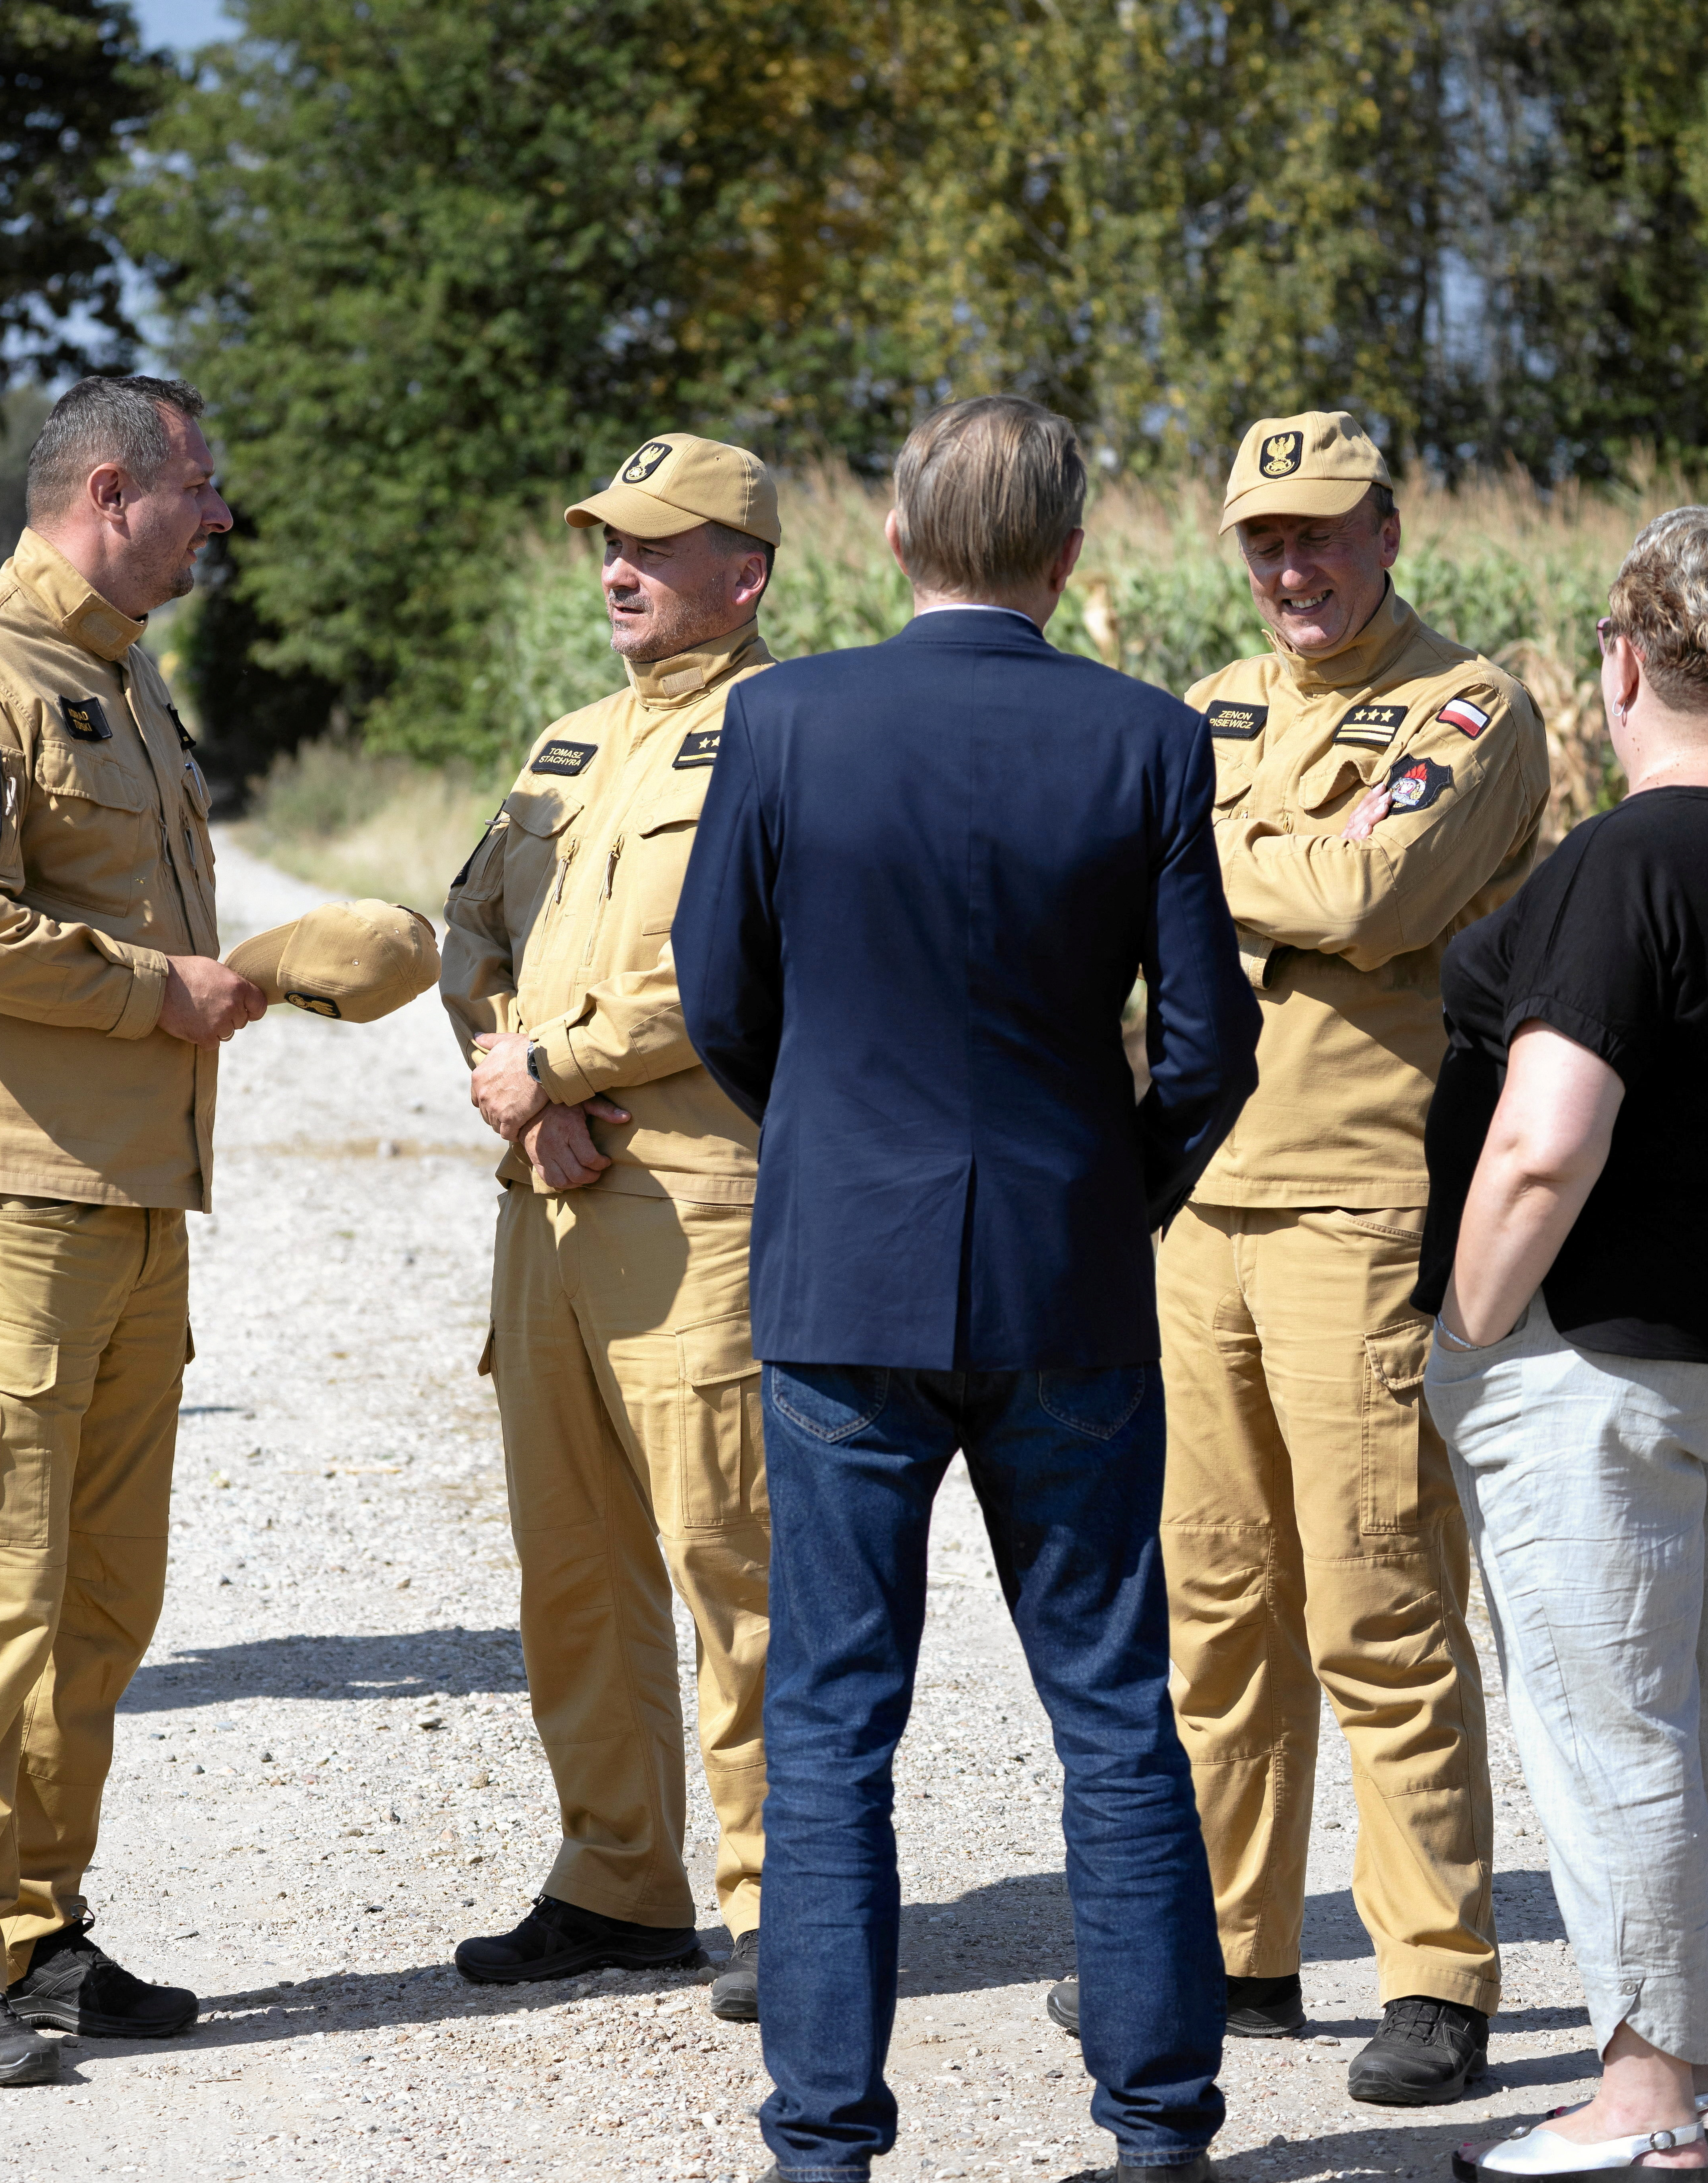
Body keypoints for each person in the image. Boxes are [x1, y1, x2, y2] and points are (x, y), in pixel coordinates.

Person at [679, 394, 1259, 2183]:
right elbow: (1209, 1043)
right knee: (1108, 1699)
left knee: (833, 1719)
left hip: (842, 1276)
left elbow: (716, 995)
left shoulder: (776, 718)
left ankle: (824, 2141)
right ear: (1068, 557)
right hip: (1064, 1272)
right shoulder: (1149, 737)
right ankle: (1159, 2125)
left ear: (891, 538)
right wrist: (1115, 1190)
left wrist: (827, 1146)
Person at [1065, 411, 1545, 2103]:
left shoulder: (1465, 704)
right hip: (1194, 1202)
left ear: (1387, 531)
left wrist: (1188, 866)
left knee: (1375, 1600)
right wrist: (1214, 875)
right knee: (1212, 1598)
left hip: (1360, 1209)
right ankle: (1232, 1949)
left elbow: (1369, 895)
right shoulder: (1210, 700)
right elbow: (1148, 891)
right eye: (1264, 540)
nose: (1293, 568)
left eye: (1322, 533)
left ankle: (1434, 1970)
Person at [1420, 507, 1708, 2176]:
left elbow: (1546, 1137)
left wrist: (1465, 1331)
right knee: (1699, 1721)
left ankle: (1635, 2103)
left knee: (1606, 1728)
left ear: (1624, 659)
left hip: (1593, 1356)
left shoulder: (1627, 860)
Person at [0, 374, 259, 2090]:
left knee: (99, 1604)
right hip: (2, 1204)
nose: (218, 520)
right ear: (109, 490)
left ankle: (36, 1922)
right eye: (199, 492)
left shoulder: (115, 672)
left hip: (128, 1203)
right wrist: (158, 992)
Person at [439, 431, 780, 2020]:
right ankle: (618, 1878)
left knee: (735, 1557)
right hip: (548, 1199)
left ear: (746, 574)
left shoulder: (788, 737)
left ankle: (791, 1899)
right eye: (605, 542)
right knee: (572, 1563)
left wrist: (563, 1071)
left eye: (652, 545)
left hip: (696, 1204)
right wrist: (521, 1083)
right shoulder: (566, 744)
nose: (616, 568)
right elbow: (473, 933)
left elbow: (747, 971)